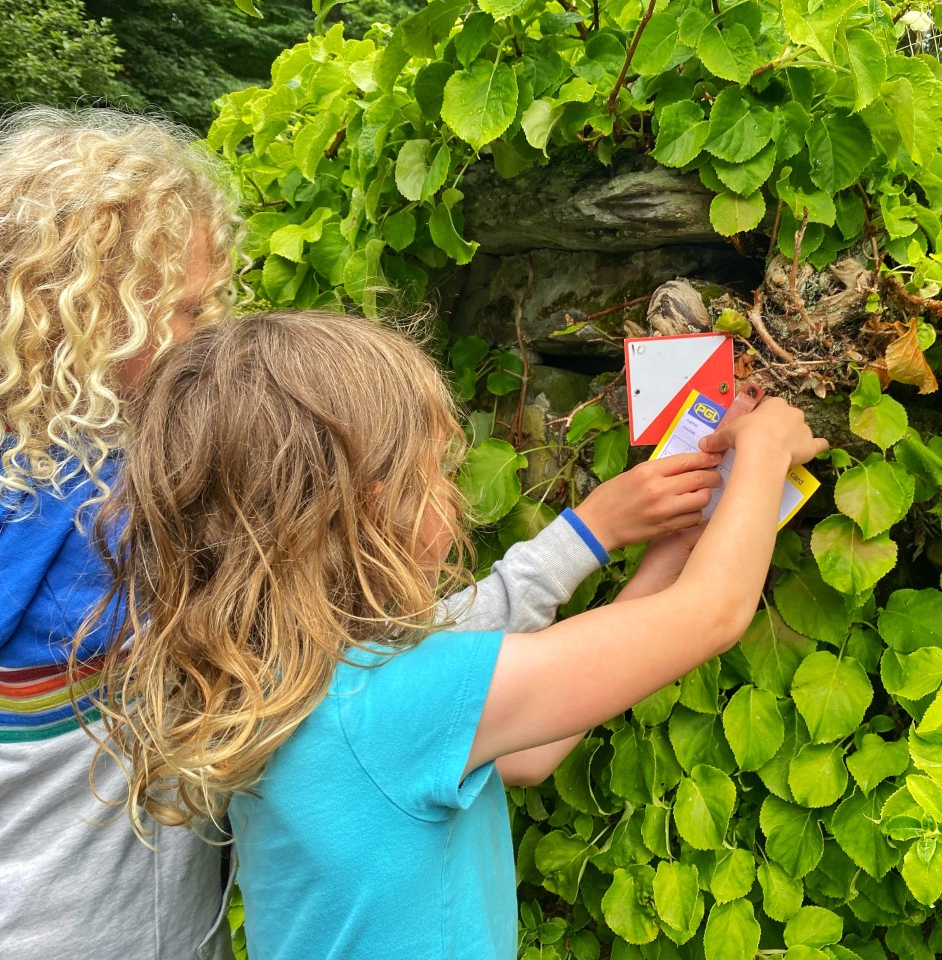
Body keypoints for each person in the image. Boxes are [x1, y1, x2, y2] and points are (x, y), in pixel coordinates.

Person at [90, 310, 828, 960]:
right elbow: (715, 613)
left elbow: (532, 754)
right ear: (375, 512)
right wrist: (763, 449)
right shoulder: (402, 696)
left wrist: (678, 545)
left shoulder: (282, 674)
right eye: (436, 472)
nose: (452, 491)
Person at [0, 106, 238, 960]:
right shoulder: (118, 519)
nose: (206, 336)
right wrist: (587, 536)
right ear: (84, 315)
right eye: (187, 313)